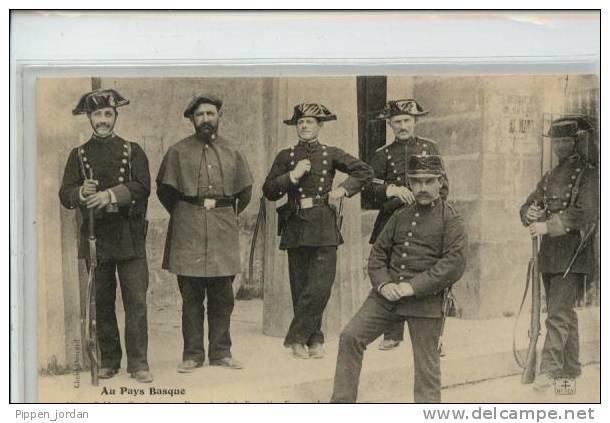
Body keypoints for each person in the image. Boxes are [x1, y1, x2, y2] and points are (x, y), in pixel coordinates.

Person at [331, 155, 466, 403]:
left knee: (427, 367)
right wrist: (384, 284)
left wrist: (411, 287)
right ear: (411, 185)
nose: (422, 188)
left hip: (425, 301)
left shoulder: (451, 219)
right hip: (386, 297)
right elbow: (378, 254)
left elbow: (453, 265)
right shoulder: (400, 215)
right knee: (350, 337)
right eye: (416, 182)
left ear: (440, 182)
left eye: (429, 181)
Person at [263, 103, 373, 359]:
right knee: (301, 286)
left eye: (310, 122)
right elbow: (268, 191)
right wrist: (292, 176)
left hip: (324, 223)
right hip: (296, 224)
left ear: (320, 127)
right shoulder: (285, 156)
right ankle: (314, 339)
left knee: (320, 286)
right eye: (300, 122)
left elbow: (364, 171)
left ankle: (295, 338)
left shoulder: (330, 153)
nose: (304, 126)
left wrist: (343, 189)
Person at [59, 89, 153, 383]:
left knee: (136, 301)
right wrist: (80, 193)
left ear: (116, 116)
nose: (103, 120)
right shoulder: (78, 155)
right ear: (89, 118)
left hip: (129, 237)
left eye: (108, 114)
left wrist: (110, 195)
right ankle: (109, 360)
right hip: (96, 239)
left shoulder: (132, 150)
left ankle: (138, 364)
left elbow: (142, 186)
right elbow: (65, 194)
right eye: (97, 115)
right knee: (102, 301)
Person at [156, 95, 253, 373]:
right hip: (189, 227)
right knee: (192, 296)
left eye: (210, 113)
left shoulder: (233, 151)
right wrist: (190, 211)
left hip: (223, 227)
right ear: (192, 120)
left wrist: (221, 212)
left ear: (219, 116)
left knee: (223, 295)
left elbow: (244, 193)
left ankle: (221, 352)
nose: (206, 119)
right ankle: (192, 354)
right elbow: (165, 192)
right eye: (200, 115)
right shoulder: (177, 152)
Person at [362, 98, 449, 350]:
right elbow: (368, 186)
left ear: (415, 122)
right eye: (397, 122)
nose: (402, 126)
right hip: (392, 221)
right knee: (390, 270)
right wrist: (390, 189)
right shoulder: (382, 155)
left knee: (427, 271)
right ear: (390, 125)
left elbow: (443, 186)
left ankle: (433, 336)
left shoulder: (430, 148)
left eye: (407, 121)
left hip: (426, 220)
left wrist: (429, 208)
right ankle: (392, 332)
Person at [519, 115, 598, 392]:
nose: (560, 146)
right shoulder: (550, 176)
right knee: (563, 314)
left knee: (557, 315)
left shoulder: (589, 174)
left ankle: (548, 371)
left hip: (574, 257)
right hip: (549, 256)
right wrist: (528, 213)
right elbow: (530, 203)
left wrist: (547, 225)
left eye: (566, 140)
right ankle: (570, 370)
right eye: (557, 141)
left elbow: (585, 212)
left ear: (576, 142)